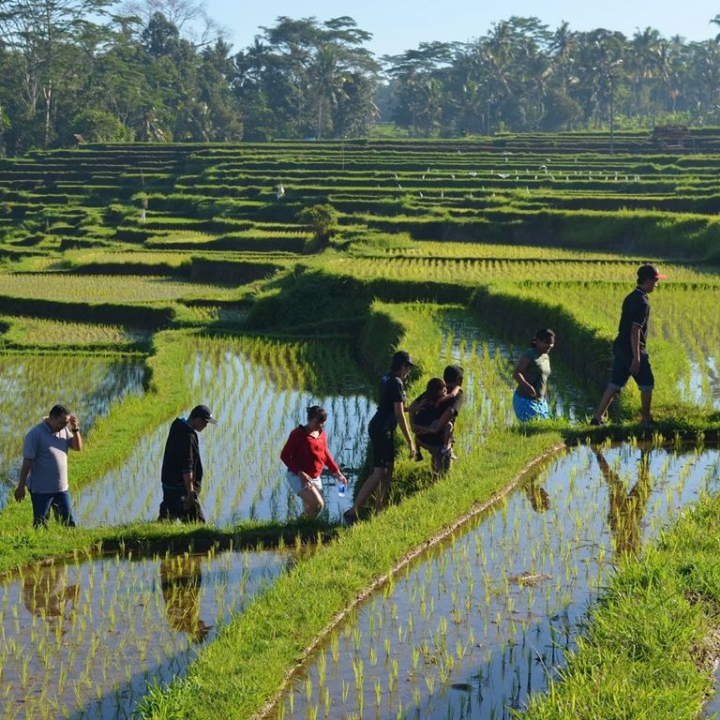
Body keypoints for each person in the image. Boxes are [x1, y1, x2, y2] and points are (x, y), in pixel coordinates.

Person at [344, 350, 416, 525]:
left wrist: (412, 408)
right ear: (402, 366)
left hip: (380, 427)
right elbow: (399, 415)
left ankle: (379, 509)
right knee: (379, 471)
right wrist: (410, 442)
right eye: (408, 367)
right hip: (382, 429)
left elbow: (390, 407)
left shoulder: (387, 379)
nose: (409, 371)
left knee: (388, 469)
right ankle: (353, 511)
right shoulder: (397, 383)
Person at [591, 264, 667, 426]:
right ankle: (646, 419)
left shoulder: (631, 296)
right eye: (655, 281)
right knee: (647, 384)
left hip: (620, 345)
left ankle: (598, 417)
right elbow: (635, 330)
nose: (656, 284)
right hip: (632, 348)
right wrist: (637, 358)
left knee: (615, 383)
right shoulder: (643, 302)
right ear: (647, 280)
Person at [14, 404, 82, 527]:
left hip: (61, 489)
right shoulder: (35, 434)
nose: (63, 426)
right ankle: (38, 545)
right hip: (41, 491)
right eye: (61, 423)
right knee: (41, 524)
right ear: (51, 418)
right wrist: (21, 486)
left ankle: (67, 545)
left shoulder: (64, 430)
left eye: (66, 423)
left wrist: (75, 429)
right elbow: (27, 461)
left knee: (68, 524)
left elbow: (77, 447)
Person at [280, 405, 347, 519]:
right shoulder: (298, 434)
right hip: (298, 476)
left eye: (323, 422)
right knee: (317, 505)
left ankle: (302, 533)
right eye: (318, 422)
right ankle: (293, 528)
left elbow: (325, 454)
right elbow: (284, 456)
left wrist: (338, 473)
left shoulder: (322, 435)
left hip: (315, 477)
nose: (320, 425)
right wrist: (300, 473)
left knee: (311, 510)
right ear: (309, 419)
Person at [158, 404, 216, 524]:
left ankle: (157, 532)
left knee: (168, 515)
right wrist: (190, 494)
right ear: (197, 420)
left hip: (169, 484)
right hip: (181, 489)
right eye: (205, 423)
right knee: (197, 523)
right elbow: (186, 466)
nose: (205, 426)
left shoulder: (177, 425)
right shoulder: (187, 436)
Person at [409, 364, 465, 474]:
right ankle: (436, 482)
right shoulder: (458, 394)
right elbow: (450, 412)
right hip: (438, 441)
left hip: (421, 438)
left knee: (435, 459)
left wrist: (413, 426)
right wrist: (436, 429)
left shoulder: (433, 390)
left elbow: (412, 407)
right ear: (459, 379)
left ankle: (433, 476)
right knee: (443, 475)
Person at [512, 329, 555, 422]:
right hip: (525, 399)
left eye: (552, 343)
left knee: (545, 426)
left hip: (541, 401)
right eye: (547, 342)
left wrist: (546, 396)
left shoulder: (546, 356)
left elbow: (544, 378)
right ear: (538, 341)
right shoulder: (530, 354)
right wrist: (527, 386)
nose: (550, 346)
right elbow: (517, 373)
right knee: (533, 427)